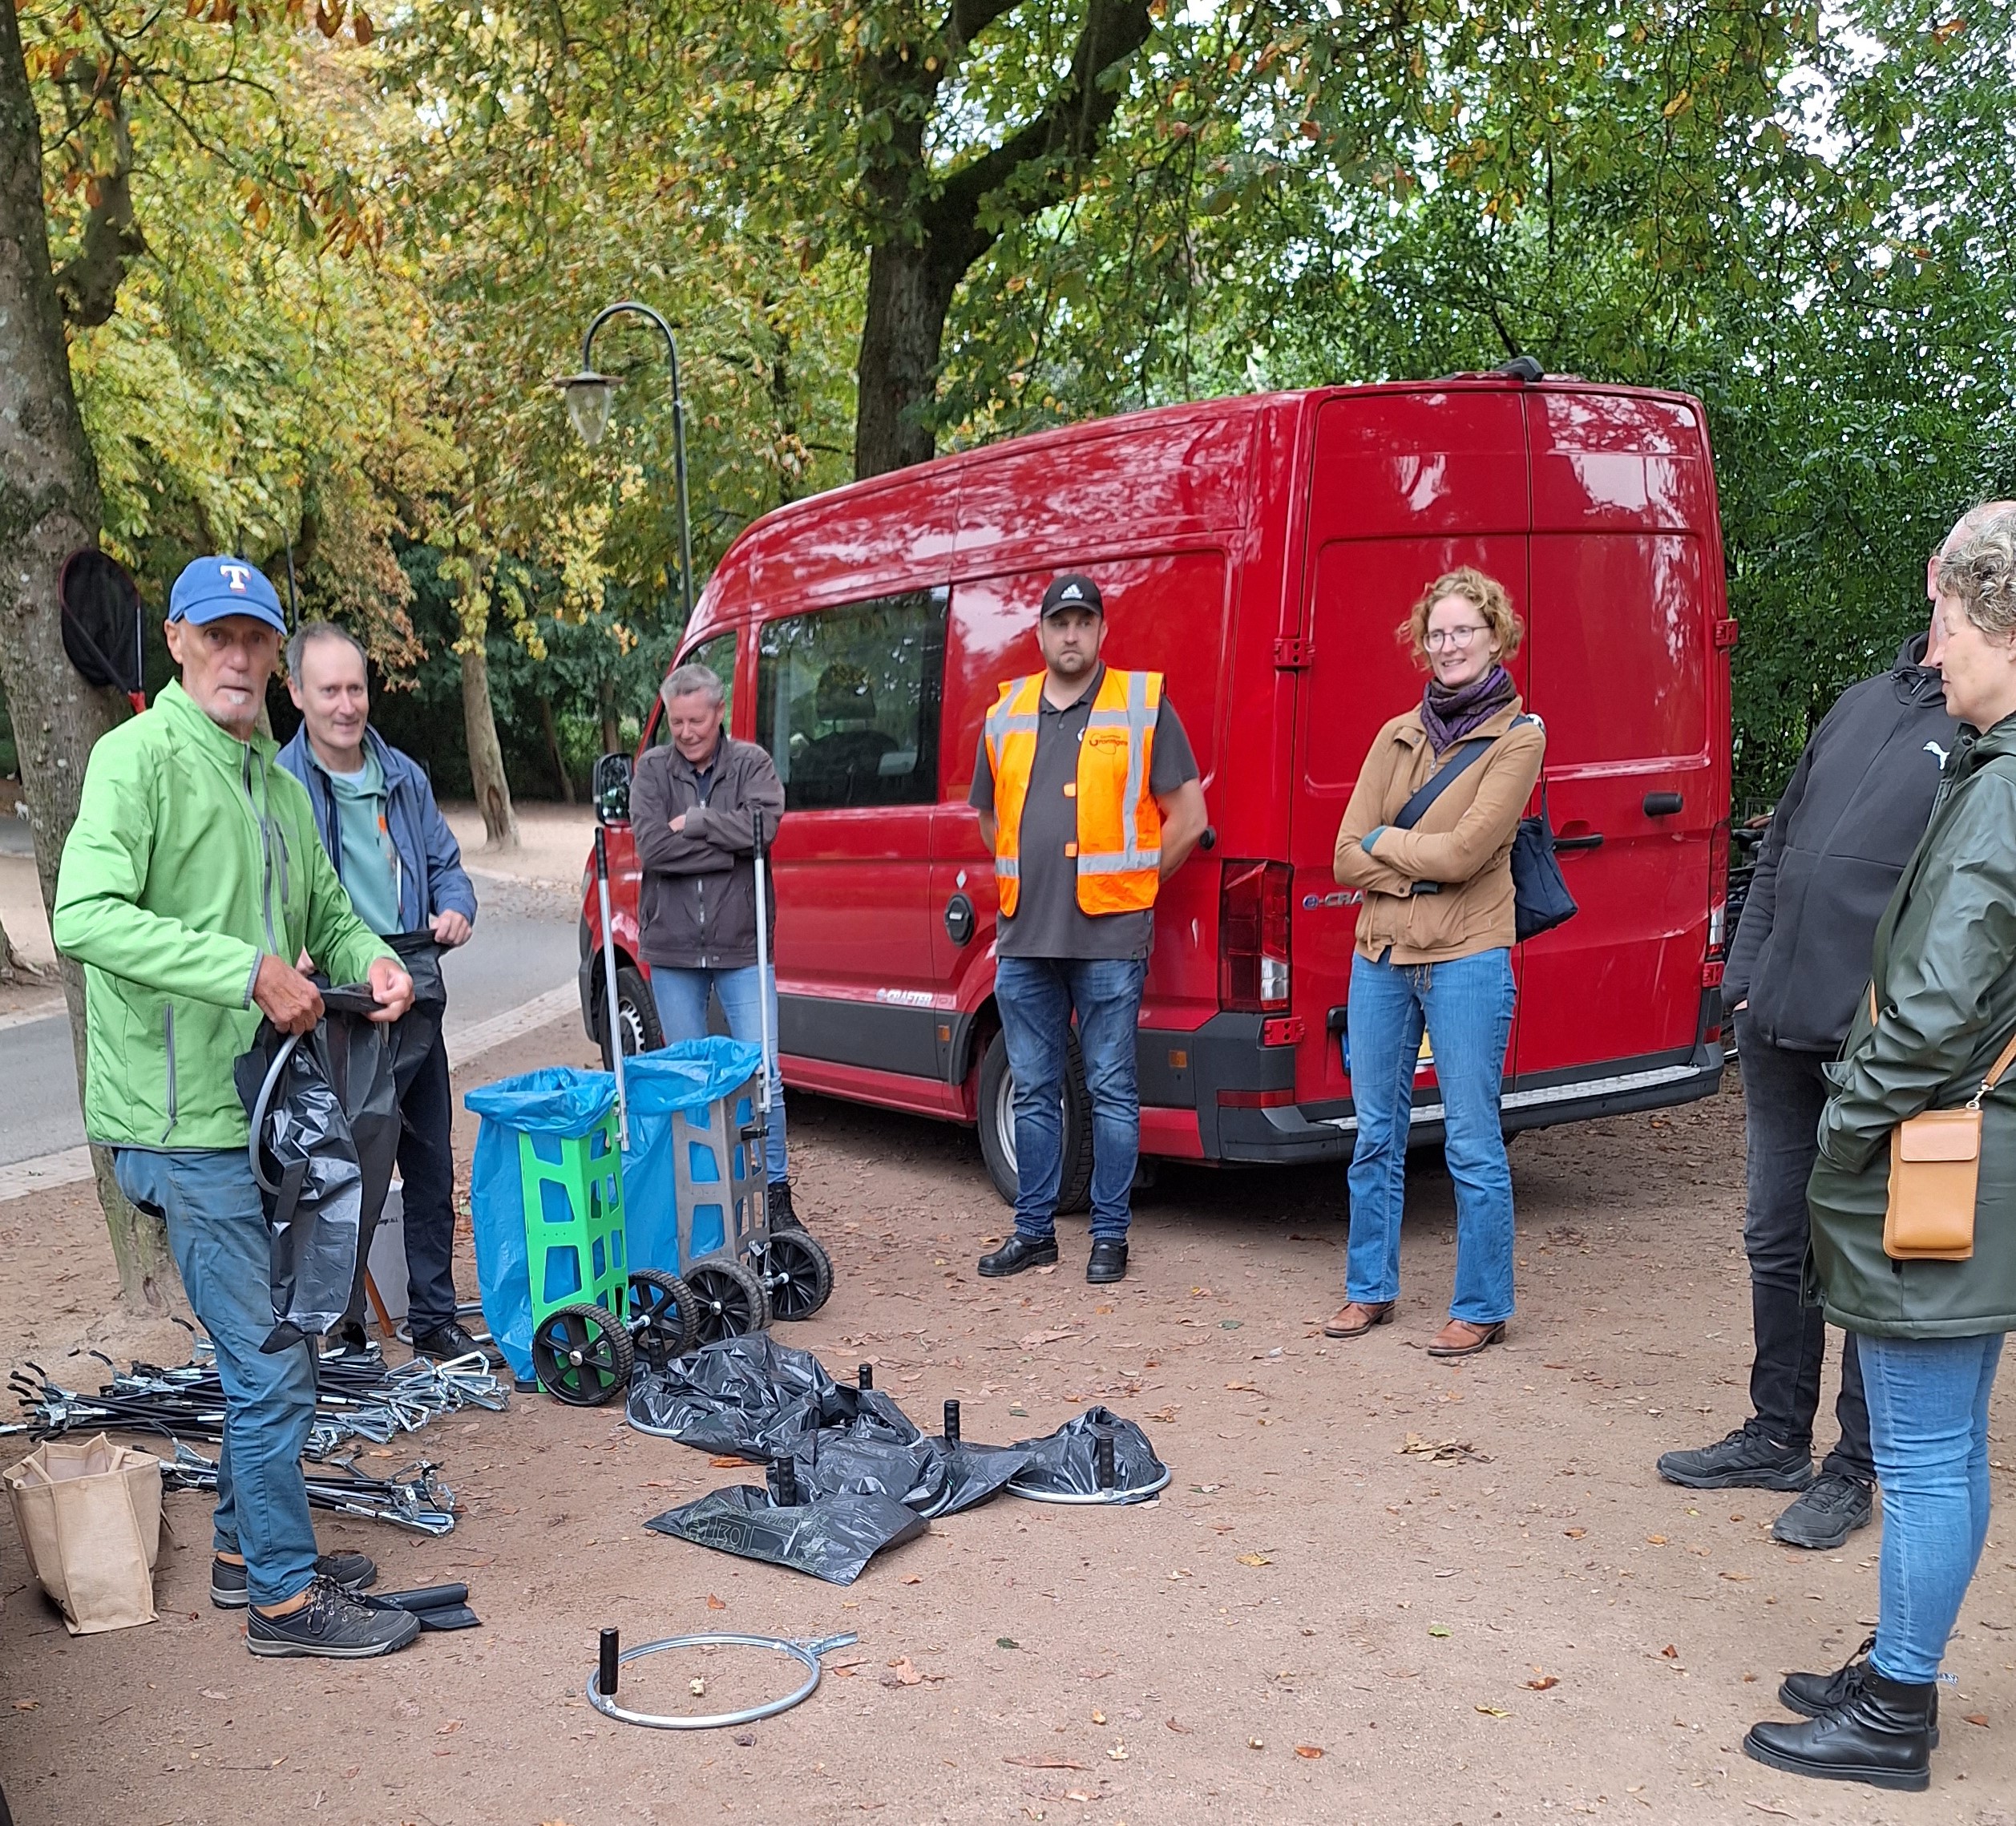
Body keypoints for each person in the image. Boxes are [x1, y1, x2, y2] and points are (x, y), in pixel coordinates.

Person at [52, 555, 420, 1658]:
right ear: (175, 641)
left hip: (258, 1111)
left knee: (284, 1340)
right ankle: (283, 1600)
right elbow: (83, 917)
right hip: (178, 1126)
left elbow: (328, 909)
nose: (238, 656)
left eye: (255, 638)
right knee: (269, 1358)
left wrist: (375, 961)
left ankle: (239, 1549)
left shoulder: (272, 778)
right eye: (217, 635)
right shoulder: (137, 759)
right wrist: (244, 969)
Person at [1654, 507, 2014, 1546]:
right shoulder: (1860, 703)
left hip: (1882, 1047)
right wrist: (1743, 978)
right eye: (1946, 572)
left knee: (1859, 1251)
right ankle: (1773, 1431)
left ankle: (1852, 1465)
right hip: (1776, 1021)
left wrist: (1882, 1039)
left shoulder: (1982, 733)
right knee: (1776, 1237)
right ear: (1933, 575)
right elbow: (1777, 847)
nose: (1948, 599)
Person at [1743, 509, 2016, 1792]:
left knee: (1919, 1447)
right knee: (1945, 1434)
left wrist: (1845, 1130)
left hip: (1938, 1155)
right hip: (1982, 1152)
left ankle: (1894, 1708)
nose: (1940, 653)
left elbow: (1927, 1015)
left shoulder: (2000, 786)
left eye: (1953, 629)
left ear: (1999, 628)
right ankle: (1895, 1660)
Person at [1326, 567, 1543, 1356]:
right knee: (1374, 1133)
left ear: (1495, 636)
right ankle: (1368, 1289)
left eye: (1465, 630)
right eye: (1438, 632)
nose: (1449, 644)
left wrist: (1391, 848)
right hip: (1380, 954)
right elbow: (1344, 853)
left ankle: (1482, 1303)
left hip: (1466, 957)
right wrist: (1407, 858)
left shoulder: (1520, 738)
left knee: (1471, 1139)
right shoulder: (1396, 734)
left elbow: (1465, 853)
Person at [968, 572, 1209, 1285]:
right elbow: (990, 820)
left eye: (1083, 622)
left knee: (1110, 1089)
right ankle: (1034, 1233)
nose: (1070, 634)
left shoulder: (1141, 704)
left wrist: (1134, 892)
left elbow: (1188, 820)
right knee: (1035, 1088)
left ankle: (1110, 1237)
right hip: (1025, 938)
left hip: (1108, 938)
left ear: (1101, 633)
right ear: (1040, 634)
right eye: (1059, 622)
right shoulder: (1006, 711)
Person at [278, 620, 483, 1361]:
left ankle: (434, 1317)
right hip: (334, 999)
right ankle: (339, 1334)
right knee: (345, 1166)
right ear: (296, 692)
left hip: (413, 981)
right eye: (328, 689)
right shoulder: (280, 785)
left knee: (430, 1163)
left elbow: (445, 861)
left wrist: (456, 902)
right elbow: (270, 892)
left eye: (355, 688)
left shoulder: (404, 775)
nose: (345, 704)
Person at [630, 662, 799, 1224]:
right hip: (674, 950)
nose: (684, 732)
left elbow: (762, 832)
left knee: (763, 1074)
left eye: (695, 720)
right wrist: (729, 843)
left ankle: (774, 1196)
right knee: (689, 1079)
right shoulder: (652, 770)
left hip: (742, 946)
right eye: (676, 722)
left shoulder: (751, 763)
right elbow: (653, 848)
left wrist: (698, 822)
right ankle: (701, 1205)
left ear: (718, 712)